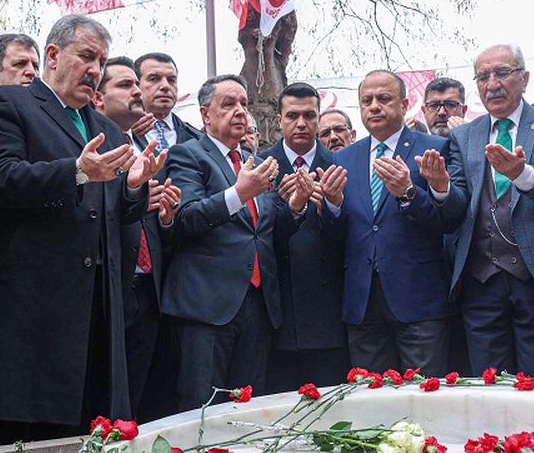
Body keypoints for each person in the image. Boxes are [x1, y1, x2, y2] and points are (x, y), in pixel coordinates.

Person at [0, 15, 164, 443]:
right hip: (33, 307)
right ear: (52, 55)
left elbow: (114, 213)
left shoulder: (107, 129)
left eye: (101, 61)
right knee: (25, 441)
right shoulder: (10, 103)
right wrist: (77, 171)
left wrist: (134, 188)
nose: (95, 70)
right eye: (86, 56)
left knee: (88, 436)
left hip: (98, 305)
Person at [160, 74, 313, 410]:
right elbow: (184, 220)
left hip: (258, 305)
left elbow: (265, 232)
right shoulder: (187, 155)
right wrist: (239, 193)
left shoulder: (253, 163)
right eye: (228, 104)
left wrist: (296, 207)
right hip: (207, 307)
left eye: (244, 104)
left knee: (248, 410)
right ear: (205, 114)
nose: (241, 111)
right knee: (201, 409)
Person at [323, 70, 468, 376]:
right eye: (367, 101)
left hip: (419, 300)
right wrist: (332, 205)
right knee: (371, 396)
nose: (374, 106)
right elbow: (338, 233)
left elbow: (450, 218)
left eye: (384, 99)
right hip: (363, 302)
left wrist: (409, 192)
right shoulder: (343, 158)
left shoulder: (435, 148)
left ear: (404, 105)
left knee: (424, 394)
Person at [448, 45, 534, 377]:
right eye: (483, 77)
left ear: (524, 78)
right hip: (480, 283)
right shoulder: (463, 136)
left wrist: (522, 174)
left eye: (502, 73)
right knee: (488, 387)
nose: (492, 84)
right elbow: (457, 202)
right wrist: (439, 189)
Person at [92, 55, 181, 417]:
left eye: (135, 85)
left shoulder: (147, 147)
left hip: (149, 291)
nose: (137, 92)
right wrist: (131, 197)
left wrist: (167, 217)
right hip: (109, 288)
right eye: (126, 85)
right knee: (103, 401)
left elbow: (160, 227)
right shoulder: (90, 147)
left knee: (139, 404)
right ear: (97, 97)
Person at [264, 82, 349, 391]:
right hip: (277, 312)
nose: (301, 123)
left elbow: (353, 234)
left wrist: (334, 205)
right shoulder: (260, 165)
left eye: (309, 116)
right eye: (292, 116)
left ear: (318, 118)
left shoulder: (341, 163)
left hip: (328, 309)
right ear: (279, 120)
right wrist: (290, 209)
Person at [133, 52, 203, 153]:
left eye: (171, 80)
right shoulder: (119, 135)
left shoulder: (198, 140)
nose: (165, 86)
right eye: (154, 79)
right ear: (136, 85)